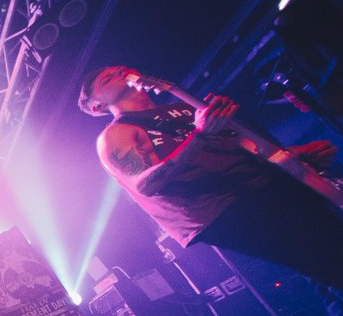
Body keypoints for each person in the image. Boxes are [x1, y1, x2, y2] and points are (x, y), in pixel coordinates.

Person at [77, 65, 343, 296]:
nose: (119, 72)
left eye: (120, 69)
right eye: (107, 78)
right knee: (328, 262)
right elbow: (145, 184)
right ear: (96, 105)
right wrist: (199, 136)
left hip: (259, 184)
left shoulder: (182, 108)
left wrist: (293, 156)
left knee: (329, 255)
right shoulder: (116, 134)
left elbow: (243, 147)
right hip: (220, 209)